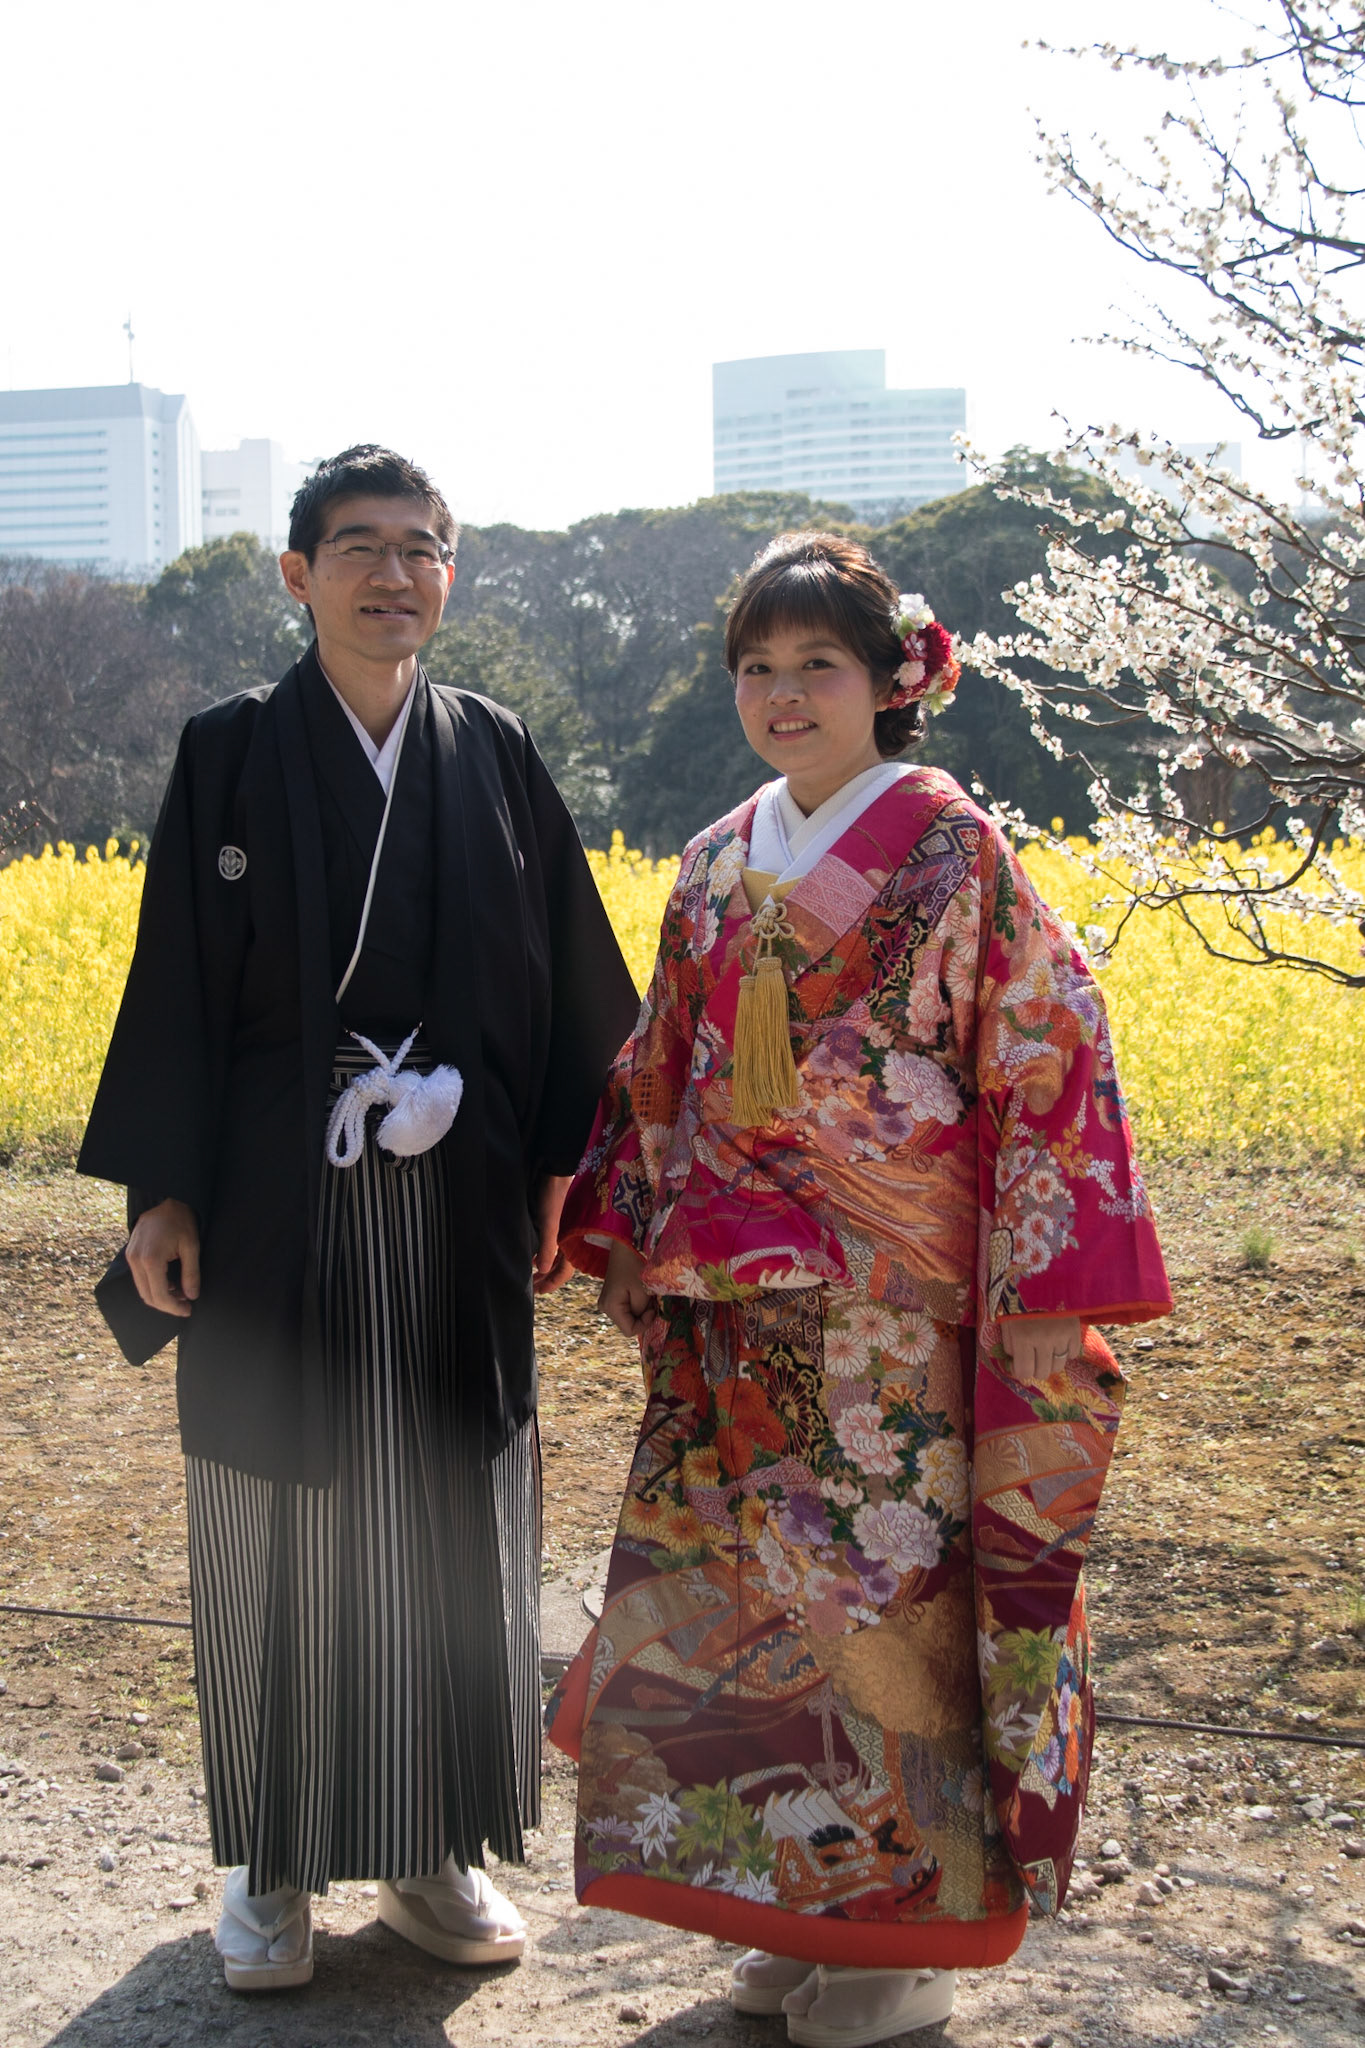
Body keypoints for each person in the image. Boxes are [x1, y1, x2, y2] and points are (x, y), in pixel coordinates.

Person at [547, 532, 1171, 2048]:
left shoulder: (954, 850)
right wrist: (623, 1229)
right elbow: (661, 1057)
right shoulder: (715, 858)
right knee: (749, 1607)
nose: (783, 693)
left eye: (817, 664)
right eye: (757, 667)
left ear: (893, 680)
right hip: (735, 1307)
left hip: (898, 1311)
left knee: (887, 1611)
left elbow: (1044, 1042)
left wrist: (1041, 1275)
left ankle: (904, 1939)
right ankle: (787, 1901)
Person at [78, 445, 639, 1992]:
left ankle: (432, 1850)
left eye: (420, 547)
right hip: (277, 1194)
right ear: (297, 574)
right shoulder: (230, 749)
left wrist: (555, 1164)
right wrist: (161, 1190)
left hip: (458, 1194)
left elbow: (566, 981)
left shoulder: (493, 748)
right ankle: (269, 1861)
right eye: (358, 547)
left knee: (452, 1510)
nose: (394, 575)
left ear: (450, 571)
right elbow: (176, 977)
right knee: (275, 1514)